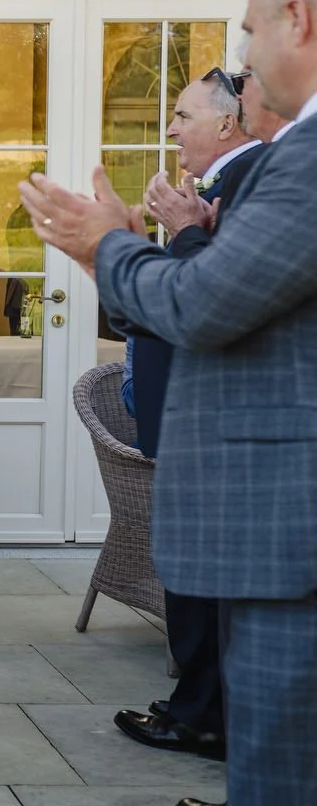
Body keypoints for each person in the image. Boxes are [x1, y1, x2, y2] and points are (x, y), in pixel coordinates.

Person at [17, 0, 317, 806]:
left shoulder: (305, 159)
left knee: (280, 769)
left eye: (250, 31)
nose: (245, 56)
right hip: (273, 528)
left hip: (285, 530)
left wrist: (105, 244)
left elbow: (204, 303)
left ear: (298, 20)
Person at [110, 69, 268, 765]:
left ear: (227, 123)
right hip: (185, 412)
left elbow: (218, 299)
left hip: (209, 418)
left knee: (201, 579)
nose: (170, 128)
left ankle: (202, 716)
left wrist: (178, 234)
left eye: (182, 115)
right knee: (191, 572)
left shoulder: (252, 180)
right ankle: (198, 705)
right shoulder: (213, 186)